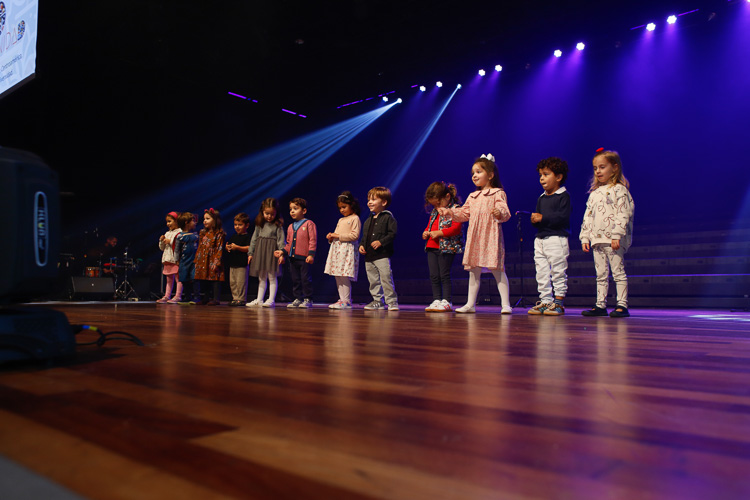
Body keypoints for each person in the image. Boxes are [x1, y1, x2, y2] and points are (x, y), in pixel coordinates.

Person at [438, 154, 512, 314]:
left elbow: (504, 210)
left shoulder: (497, 193)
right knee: (474, 271)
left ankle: (506, 304)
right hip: (475, 237)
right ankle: (470, 304)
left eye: (478, 172)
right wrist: (449, 212)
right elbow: (464, 213)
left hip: (490, 236)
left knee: (497, 270)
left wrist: (499, 212)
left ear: (490, 175)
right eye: (473, 173)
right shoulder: (473, 196)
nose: (474, 175)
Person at [580, 148, 635, 318]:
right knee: (601, 275)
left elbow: (623, 213)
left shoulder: (620, 190)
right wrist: (585, 236)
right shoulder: (594, 194)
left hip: (613, 240)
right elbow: (588, 216)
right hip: (597, 240)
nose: (598, 171)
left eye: (602, 167)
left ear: (615, 167)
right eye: (595, 168)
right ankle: (600, 304)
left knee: (618, 272)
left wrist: (617, 235)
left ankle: (622, 304)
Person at [528, 157, 571, 316]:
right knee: (542, 272)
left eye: (546, 174)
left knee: (558, 271)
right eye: (540, 175)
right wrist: (535, 220)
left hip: (557, 239)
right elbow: (540, 220)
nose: (542, 178)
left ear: (558, 177)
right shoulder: (541, 197)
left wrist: (543, 218)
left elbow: (563, 218)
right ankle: (545, 301)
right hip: (540, 239)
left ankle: (558, 303)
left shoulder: (563, 196)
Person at [423, 181, 463, 312]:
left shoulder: (455, 209)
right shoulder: (435, 211)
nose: (436, 207)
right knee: (434, 275)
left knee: (444, 274)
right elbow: (430, 225)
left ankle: (446, 300)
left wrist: (439, 233)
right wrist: (426, 232)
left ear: (447, 196)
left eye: (438, 203)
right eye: (434, 205)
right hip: (432, 246)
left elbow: (456, 228)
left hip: (447, 247)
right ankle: (436, 299)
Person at [359, 187, 399, 311]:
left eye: (373, 199)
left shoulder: (388, 217)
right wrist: (361, 245)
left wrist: (381, 242)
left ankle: (391, 302)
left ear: (384, 202)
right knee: (373, 280)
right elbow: (365, 236)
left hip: (382, 255)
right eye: (368, 200)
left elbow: (392, 234)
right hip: (369, 256)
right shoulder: (368, 220)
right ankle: (378, 301)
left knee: (386, 278)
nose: (369, 202)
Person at [324, 191, 361, 309]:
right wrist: (331, 237)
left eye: (344, 207)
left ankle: (347, 300)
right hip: (338, 250)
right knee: (338, 275)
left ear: (351, 205)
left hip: (347, 250)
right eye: (340, 208)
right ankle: (342, 299)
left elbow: (355, 236)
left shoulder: (355, 218)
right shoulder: (341, 220)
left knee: (344, 275)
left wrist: (338, 236)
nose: (342, 210)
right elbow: (337, 234)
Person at [246, 198, 286, 308]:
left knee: (272, 276)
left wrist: (281, 253)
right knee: (261, 277)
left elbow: (281, 241)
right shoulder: (260, 224)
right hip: (260, 252)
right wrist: (250, 253)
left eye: (272, 214)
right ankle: (259, 299)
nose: (269, 216)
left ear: (276, 213)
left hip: (272, 253)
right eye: (267, 213)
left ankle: (271, 299)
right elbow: (254, 239)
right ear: (262, 212)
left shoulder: (278, 225)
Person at [284, 198, 317, 308]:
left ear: (304, 211)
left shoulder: (309, 224)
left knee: (305, 279)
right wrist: (282, 252)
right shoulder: (290, 226)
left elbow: (312, 240)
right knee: (295, 279)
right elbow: (289, 243)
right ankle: (298, 298)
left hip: (304, 257)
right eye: (290, 209)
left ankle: (308, 299)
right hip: (293, 258)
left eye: (295, 208)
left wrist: (311, 254)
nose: (292, 211)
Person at [194, 208, 226, 305]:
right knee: (205, 277)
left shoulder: (219, 233)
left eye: (207, 219)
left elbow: (219, 248)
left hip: (213, 258)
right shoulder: (203, 232)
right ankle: (206, 297)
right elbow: (200, 246)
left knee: (215, 278)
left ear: (215, 220)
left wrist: (216, 261)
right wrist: (197, 260)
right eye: (204, 219)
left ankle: (216, 298)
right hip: (204, 258)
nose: (205, 221)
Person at [225, 213, 251, 306]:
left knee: (241, 282)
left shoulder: (247, 236)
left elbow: (249, 248)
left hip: (242, 264)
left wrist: (238, 247)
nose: (237, 227)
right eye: (235, 225)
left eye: (240, 225)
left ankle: (241, 299)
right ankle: (235, 298)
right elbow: (230, 246)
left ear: (246, 225)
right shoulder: (234, 236)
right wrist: (227, 247)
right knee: (233, 282)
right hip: (233, 263)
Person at [157, 211, 183, 303]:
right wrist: (161, 241)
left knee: (178, 279)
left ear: (176, 221)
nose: (168, 224)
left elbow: (180, 245)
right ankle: (167, 295)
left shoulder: (180, 232)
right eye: (167, 222)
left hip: (175, 259)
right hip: (168, 259)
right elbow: (162, 248)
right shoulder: (167, 233)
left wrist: (170, 241)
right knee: (169, 279)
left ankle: (178, 296)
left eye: (170, 221)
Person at [174, 212, 199, 304]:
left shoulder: (196, 235)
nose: (195, 223)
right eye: (193, 221)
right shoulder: (180, 236)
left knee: (194, 278)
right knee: (184, 278)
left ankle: (196, 297)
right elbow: (177, 249)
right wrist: (176, 260)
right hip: (184, 261)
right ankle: (187, 297)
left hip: (194, 261)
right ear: (186, 222)